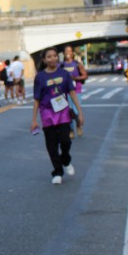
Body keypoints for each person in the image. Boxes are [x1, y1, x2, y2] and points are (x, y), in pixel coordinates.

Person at [31, 47, 84, 184]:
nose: (52, 58)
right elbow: (36, 99)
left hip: (63, 112)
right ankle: (57, 172)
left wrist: (79, 112)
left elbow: (72, 93)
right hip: (47, 113)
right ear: (44, 60)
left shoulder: (64, 74)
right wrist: (34, 120)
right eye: (49, 56)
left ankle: (65, 160)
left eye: (55, 56)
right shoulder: (40, 77)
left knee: (66, 141)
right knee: (52, 145)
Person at [61, 45, 88, 137]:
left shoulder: (77, 64)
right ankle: (71, 130)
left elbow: (85, 75)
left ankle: (78, 126)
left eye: (70, 51)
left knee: (76, 111)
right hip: (65, 92)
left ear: (72, 53)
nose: (68, 53)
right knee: (68, 111)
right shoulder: (61, 65)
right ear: (64, 53)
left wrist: (75, 78)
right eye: (66, 51)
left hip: (76, 91)